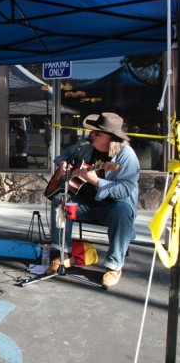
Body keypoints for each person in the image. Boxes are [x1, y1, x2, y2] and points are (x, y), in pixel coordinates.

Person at [47, 112, 140, 287]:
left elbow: (124, 190)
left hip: (112, 207)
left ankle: (114, 266)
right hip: (86, 203)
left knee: (123, 211)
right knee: (60, 200)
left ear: (111, 138)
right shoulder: (85, 146)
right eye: (92, 131)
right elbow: (63, 156)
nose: (92, 135)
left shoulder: (126, 156)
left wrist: (96, 181)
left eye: (98, 133)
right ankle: (62, 255)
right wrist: (63, 164)